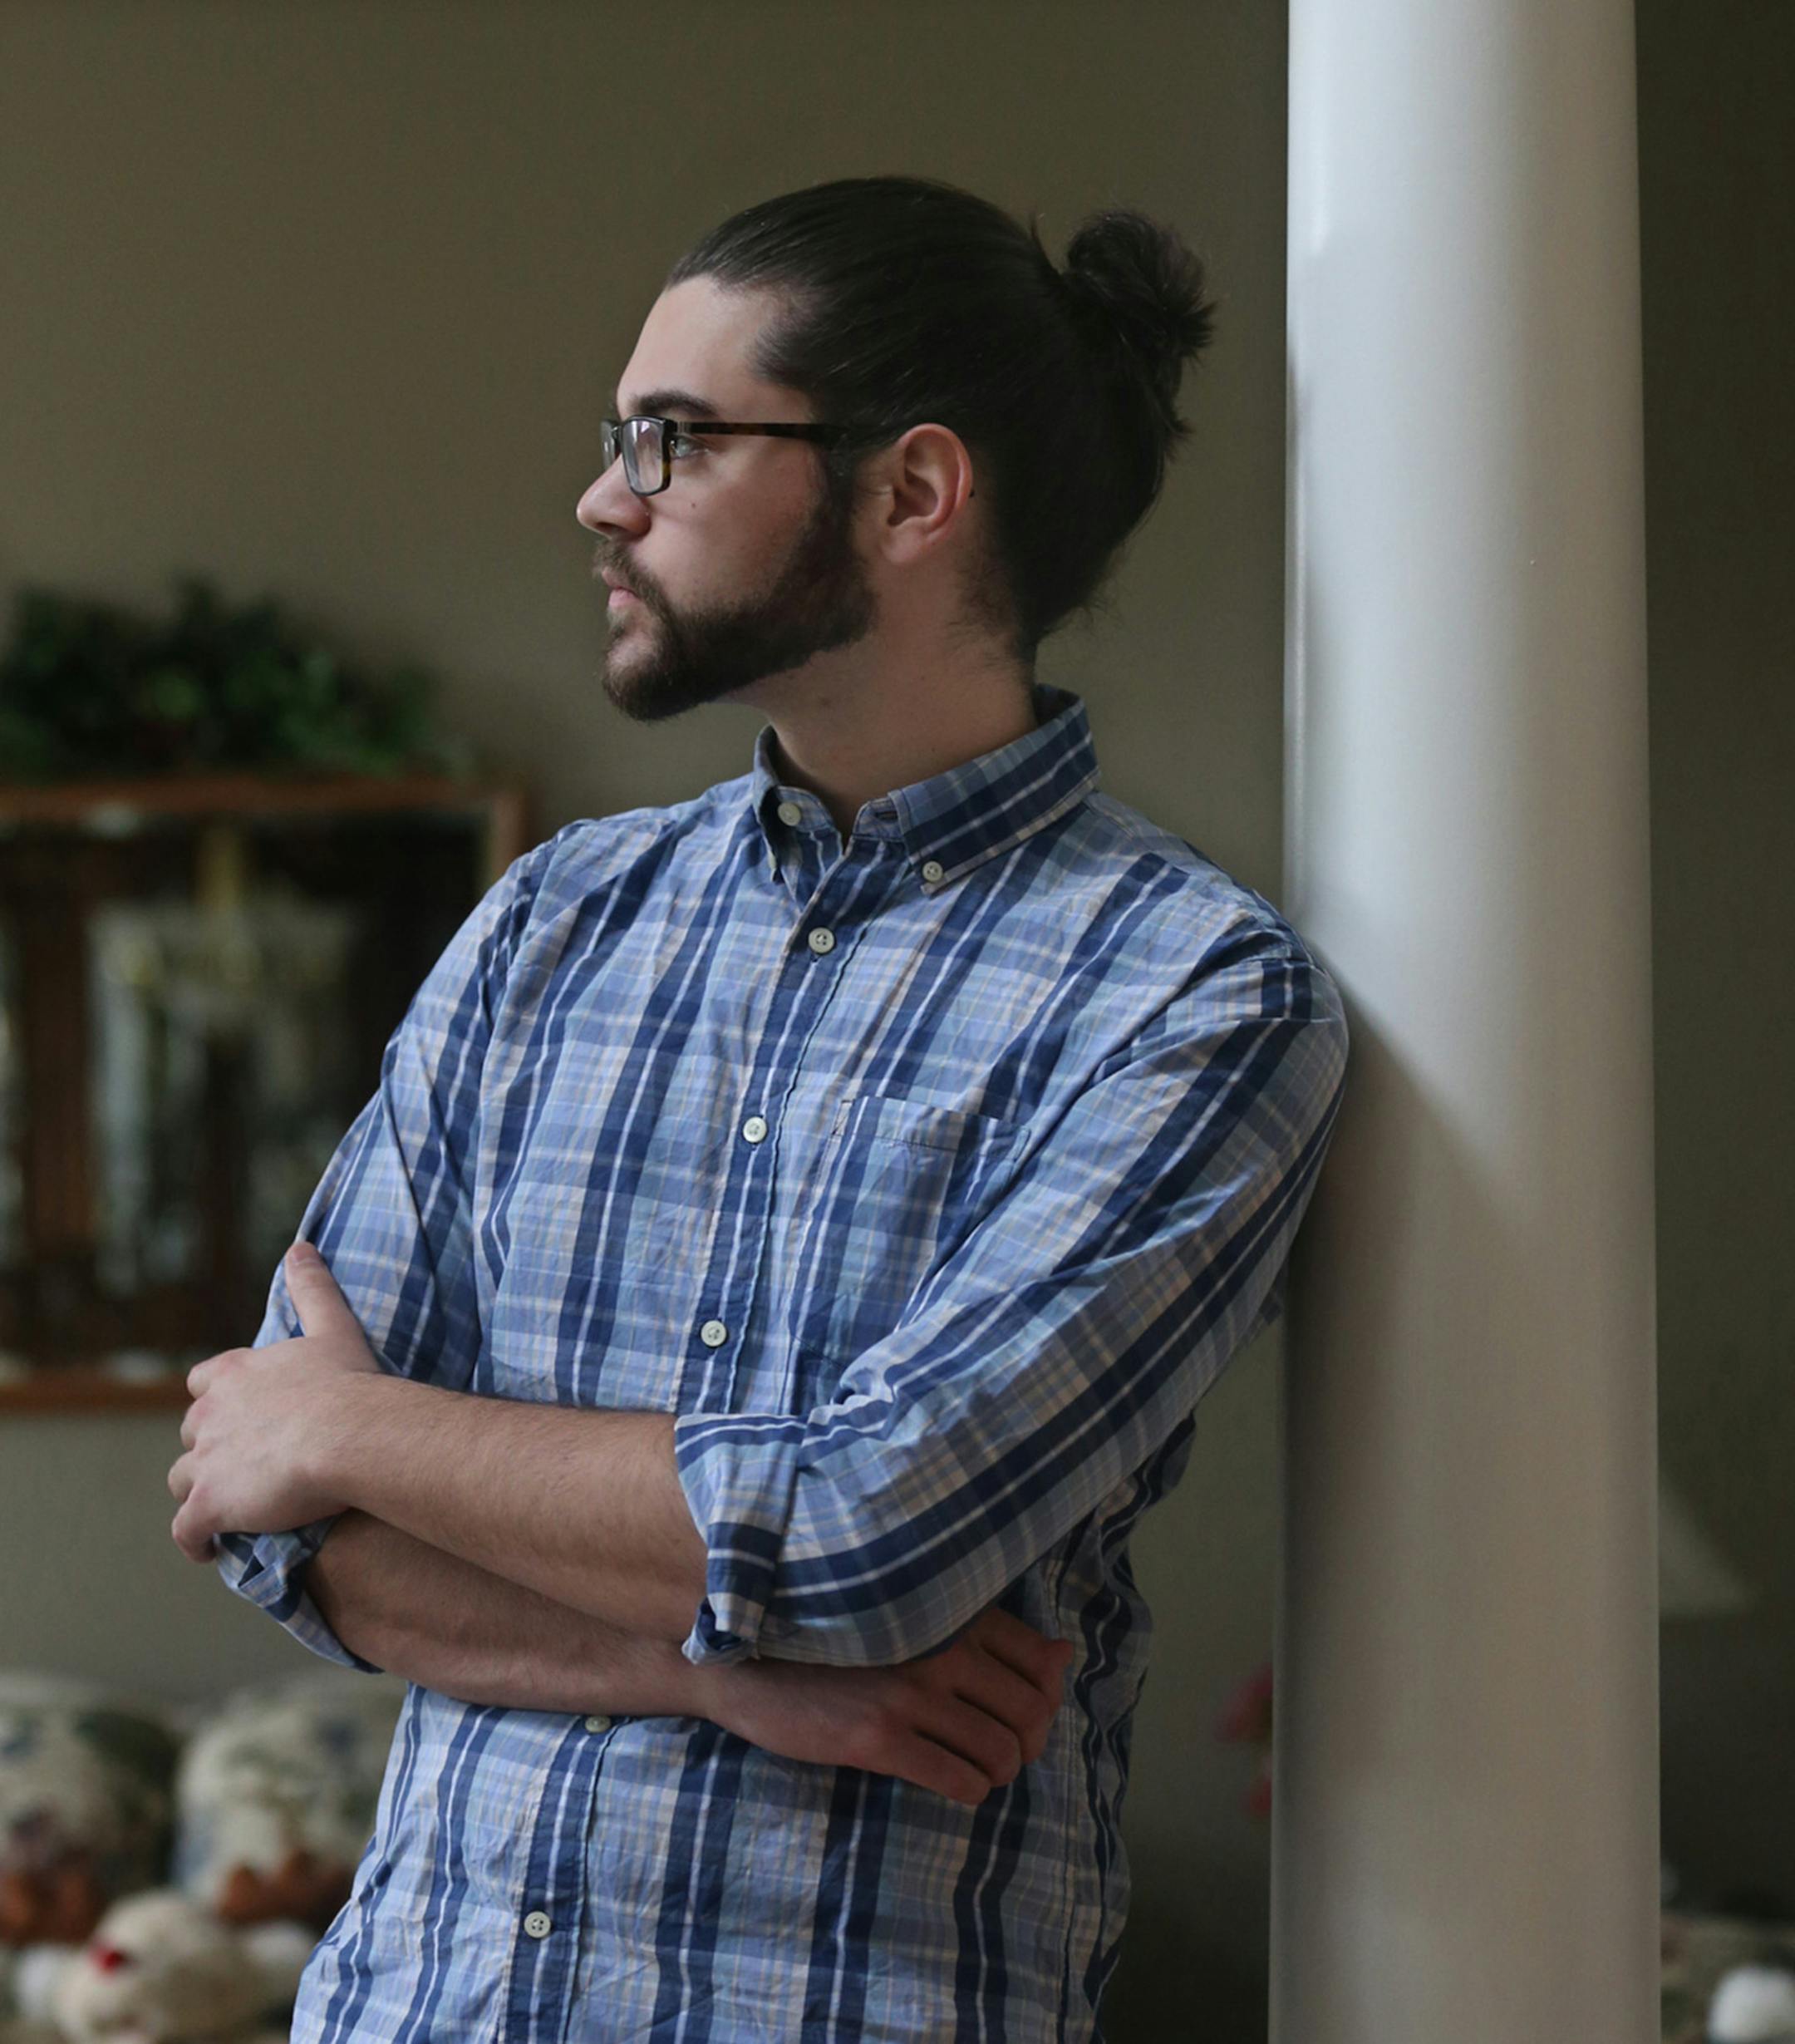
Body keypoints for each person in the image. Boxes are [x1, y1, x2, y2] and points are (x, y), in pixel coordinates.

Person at [168, 175, 1350, 2043]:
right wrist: (716, 1678)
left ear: (908, 493)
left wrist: (357, 1425)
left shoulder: (1192, 996)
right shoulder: (554, 919)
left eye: (674, 439)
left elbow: (860, 1538)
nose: (601, 495)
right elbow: (269, 1519)